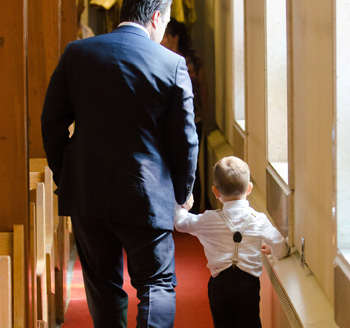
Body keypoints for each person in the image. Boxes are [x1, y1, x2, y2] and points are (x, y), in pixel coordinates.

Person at [41, 0, 199, 326]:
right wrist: (183, 192)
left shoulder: (78, 54)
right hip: (147, 193)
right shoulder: (171, 64)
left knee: (102, 286)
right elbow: (186, 138)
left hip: (88, 192)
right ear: (156, 17)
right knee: (156, 284)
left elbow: (51, 123)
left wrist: (69, 175)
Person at [175, 156, 290, 328]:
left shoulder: (209, 219)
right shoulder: (258, 219)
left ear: (215, 191)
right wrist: (272, 250)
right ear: (249, 188)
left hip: (219, 285)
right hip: (248, 284)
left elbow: (180, 223)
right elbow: (281, 248)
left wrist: (182, 205)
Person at [161, 18, 208, 214]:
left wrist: (205, 111)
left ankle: (194, 209)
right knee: (169, 163)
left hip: (194, 117)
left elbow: (203, 86)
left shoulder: (193, 58)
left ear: (175, 37)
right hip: (168, 119)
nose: (162, 39)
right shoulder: (161, 56)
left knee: (192, 163)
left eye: (165, 35)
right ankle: (171, 208)